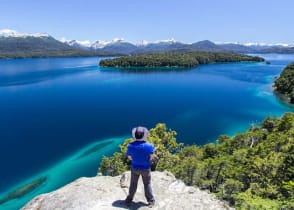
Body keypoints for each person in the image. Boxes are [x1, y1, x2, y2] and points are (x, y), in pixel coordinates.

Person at [125, 126, 155, 207]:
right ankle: (151, 201)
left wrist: (135, 160)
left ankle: (129, 199)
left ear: (135, 135)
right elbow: (151, 157)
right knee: (147, 184)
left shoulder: (130, 145)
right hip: (145, 168)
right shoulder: (149, 146)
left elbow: (129, 157)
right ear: (144, 135)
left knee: (133, 183)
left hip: (134, 167)